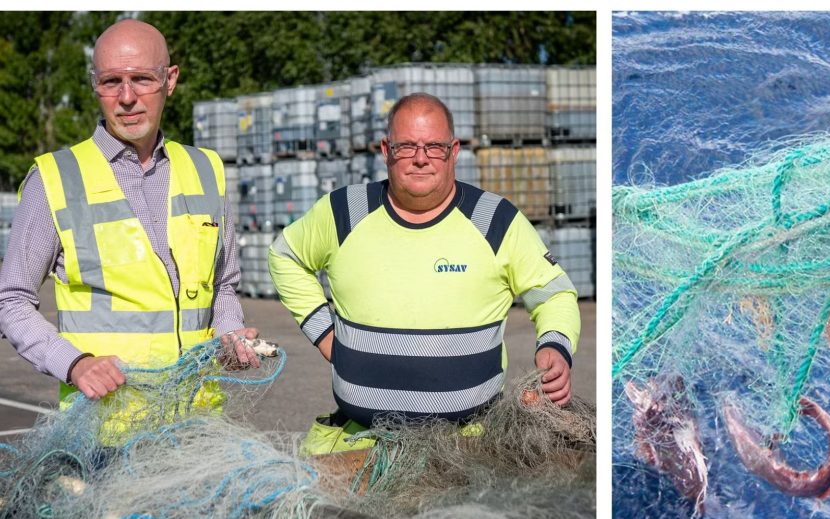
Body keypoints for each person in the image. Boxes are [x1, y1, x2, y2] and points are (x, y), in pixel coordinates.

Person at [269, 92, 581, 455]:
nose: (420, 158)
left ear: (454, 150)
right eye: (406, 146)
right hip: (357, 442)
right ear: (386, 150)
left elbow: (554, 292)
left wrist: (556, 346)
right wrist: (326, 335)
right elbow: (284, 255)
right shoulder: (344, 212)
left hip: (470, 448)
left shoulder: (495, 220)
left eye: (434, 146)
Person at [0, 19, 258, 442]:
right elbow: (11, 300)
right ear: (94, 85)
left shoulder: (206, 169)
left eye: (141, 79)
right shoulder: (54, 179)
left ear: (169, 80)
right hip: (103, 433)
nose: (127, 98)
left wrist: (230, 335)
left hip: (198, 428)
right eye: (110, 82)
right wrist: (75, 362)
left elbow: (223, 285)